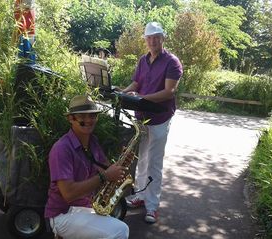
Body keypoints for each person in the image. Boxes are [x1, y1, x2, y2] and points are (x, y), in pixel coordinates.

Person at [121, 22, 183, 223]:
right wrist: (121, 93)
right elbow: (136, 83)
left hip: (159, 118)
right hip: (141, 117)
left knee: (154, 162)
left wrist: (142, 98)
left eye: (156, 37)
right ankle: (139, 196)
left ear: (163, 38)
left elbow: (169, 92)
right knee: (141, 159)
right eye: (149, 37)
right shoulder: (143, 60)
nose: (153, 40)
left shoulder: (172, 62)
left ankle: (152, 206)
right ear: (146, 40)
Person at [44, 95, 129, 239]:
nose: (89, 120)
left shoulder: (93, 142)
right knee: (120, 230)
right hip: (63, 214)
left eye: (93, 116)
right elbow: (69, 193)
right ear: (71, 119)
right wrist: (105, 176)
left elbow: (106, 168)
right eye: (82, 116)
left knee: (114, 228)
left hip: (85, 208)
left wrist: (121, 164)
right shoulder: (61, 149)